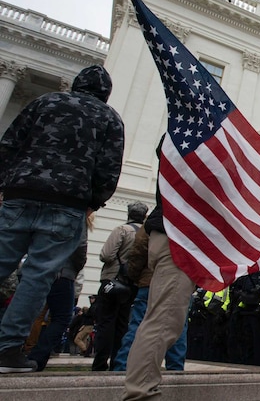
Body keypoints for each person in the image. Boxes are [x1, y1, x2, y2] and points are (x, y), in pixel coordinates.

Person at [0, 64, 124, 374]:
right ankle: (7, 348)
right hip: (68, 203)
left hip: (20, 193)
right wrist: (92, 203)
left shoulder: (45, 102)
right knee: (38, 276)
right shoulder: (109, 118)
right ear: (106, 93)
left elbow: (9, 144)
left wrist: (5, 185)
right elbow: (108, 170)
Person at [122, 136, 197, 400]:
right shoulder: (188, 148)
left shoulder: (178, 145)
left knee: (162, 319)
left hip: (172, 235)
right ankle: (141, 392)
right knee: (164, 320)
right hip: (177, 237)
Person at [112, 225, 188, 372]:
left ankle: (123, 367)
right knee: (177, 327)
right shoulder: (190, 216)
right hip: (181, 282)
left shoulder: (153, 222)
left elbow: (138, 251)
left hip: (150, 282)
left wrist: (134, 276)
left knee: (139, 325)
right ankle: (176, 370)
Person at [27, 214, 91, 371]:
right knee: (61, 318)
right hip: (62, 272)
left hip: (37, 267)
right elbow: (80, 248)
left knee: (33, 313)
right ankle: (37, 356)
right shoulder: (77, 214)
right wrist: (75, 270)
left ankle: (20, 350)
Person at [92, 201, 148, 371]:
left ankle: (100, 362)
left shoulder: (122, 230)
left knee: (106, 322)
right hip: (132, 283)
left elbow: (106, 254)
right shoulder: (146, 234)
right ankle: (119, 361)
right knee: (123, 323)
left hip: (112, 280)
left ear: (128, 214)